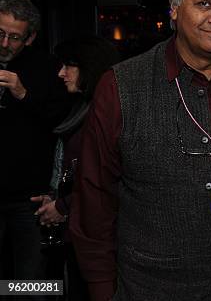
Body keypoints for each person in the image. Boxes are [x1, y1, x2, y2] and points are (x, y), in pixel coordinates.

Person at [70, 0, 211, 301]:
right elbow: (95, 200)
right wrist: (103, 290)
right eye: (205, 4)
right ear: (175, 9)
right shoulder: (121, 86)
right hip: (154, 288)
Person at [31, 35, 120, 301]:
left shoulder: (105, 116)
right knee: (27, 286)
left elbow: (108, 182)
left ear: (90, 68)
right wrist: (57, 199)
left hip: (97, 243)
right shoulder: (79, 108)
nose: (61, 73)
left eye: (69, 65)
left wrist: (62, 207)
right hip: (75, 237)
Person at [0, 0, 70, 288]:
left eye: (14, 37)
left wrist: (23, 95)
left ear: (30, 38)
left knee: (31, 284)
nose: (4, 43)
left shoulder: (50, 68)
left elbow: (61, 122)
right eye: (0, 33)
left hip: (29, 200)